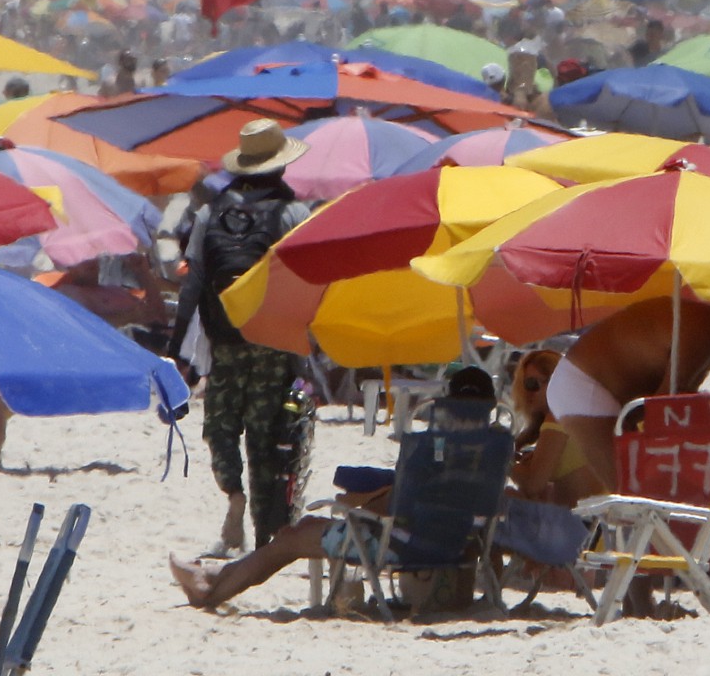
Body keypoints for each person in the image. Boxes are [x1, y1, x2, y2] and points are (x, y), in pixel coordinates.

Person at [168, 367, 495, 609]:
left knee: (290, 539)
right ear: (490, 407)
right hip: (453, 547)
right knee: (305, 529)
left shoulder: (430, 448)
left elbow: (399, 509)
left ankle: (209, 589)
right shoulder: (497, 451)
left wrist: (357, 503)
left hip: (407, 547)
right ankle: (212, 576)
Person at [170, 120, 312, 554]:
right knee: (267, 435)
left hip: (224, 341)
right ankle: (267, 537)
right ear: (281, 167)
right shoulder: (293, 213)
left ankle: (234, 500)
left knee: (221, 427)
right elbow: (305, 279)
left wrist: (176, 348)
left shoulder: (209, 213)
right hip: (274, 341)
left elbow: (193, 283)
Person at [546, 296, 710, 491]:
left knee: (638, 496)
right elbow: (665, 408)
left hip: (593, 385)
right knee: (631, 497)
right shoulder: (702, 327)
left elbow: (670, 405)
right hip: (585, 383)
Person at [506, 350, 600, 506]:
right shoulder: (576, 412)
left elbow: (532, 485)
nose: (528, 392)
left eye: (533, 384)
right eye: (525, 384)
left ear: (555, 382)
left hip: (575, 521)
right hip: (591, 518)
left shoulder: (558, 417)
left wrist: (502, 462)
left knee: (501, 497)